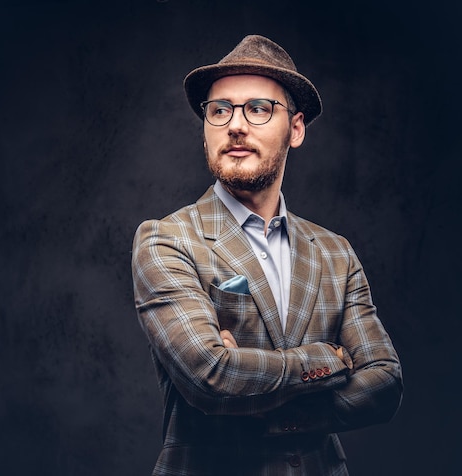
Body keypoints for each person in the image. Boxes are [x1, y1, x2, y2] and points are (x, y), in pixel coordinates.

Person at [130, 35, 403, 475]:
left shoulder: (336, 253)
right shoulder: (167, 240)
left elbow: (384, 382)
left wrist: (280, 410)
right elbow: (211, 377)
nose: (235, 125)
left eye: (258, 108)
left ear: (295, 129)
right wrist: (328, 359)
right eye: (220, 110)